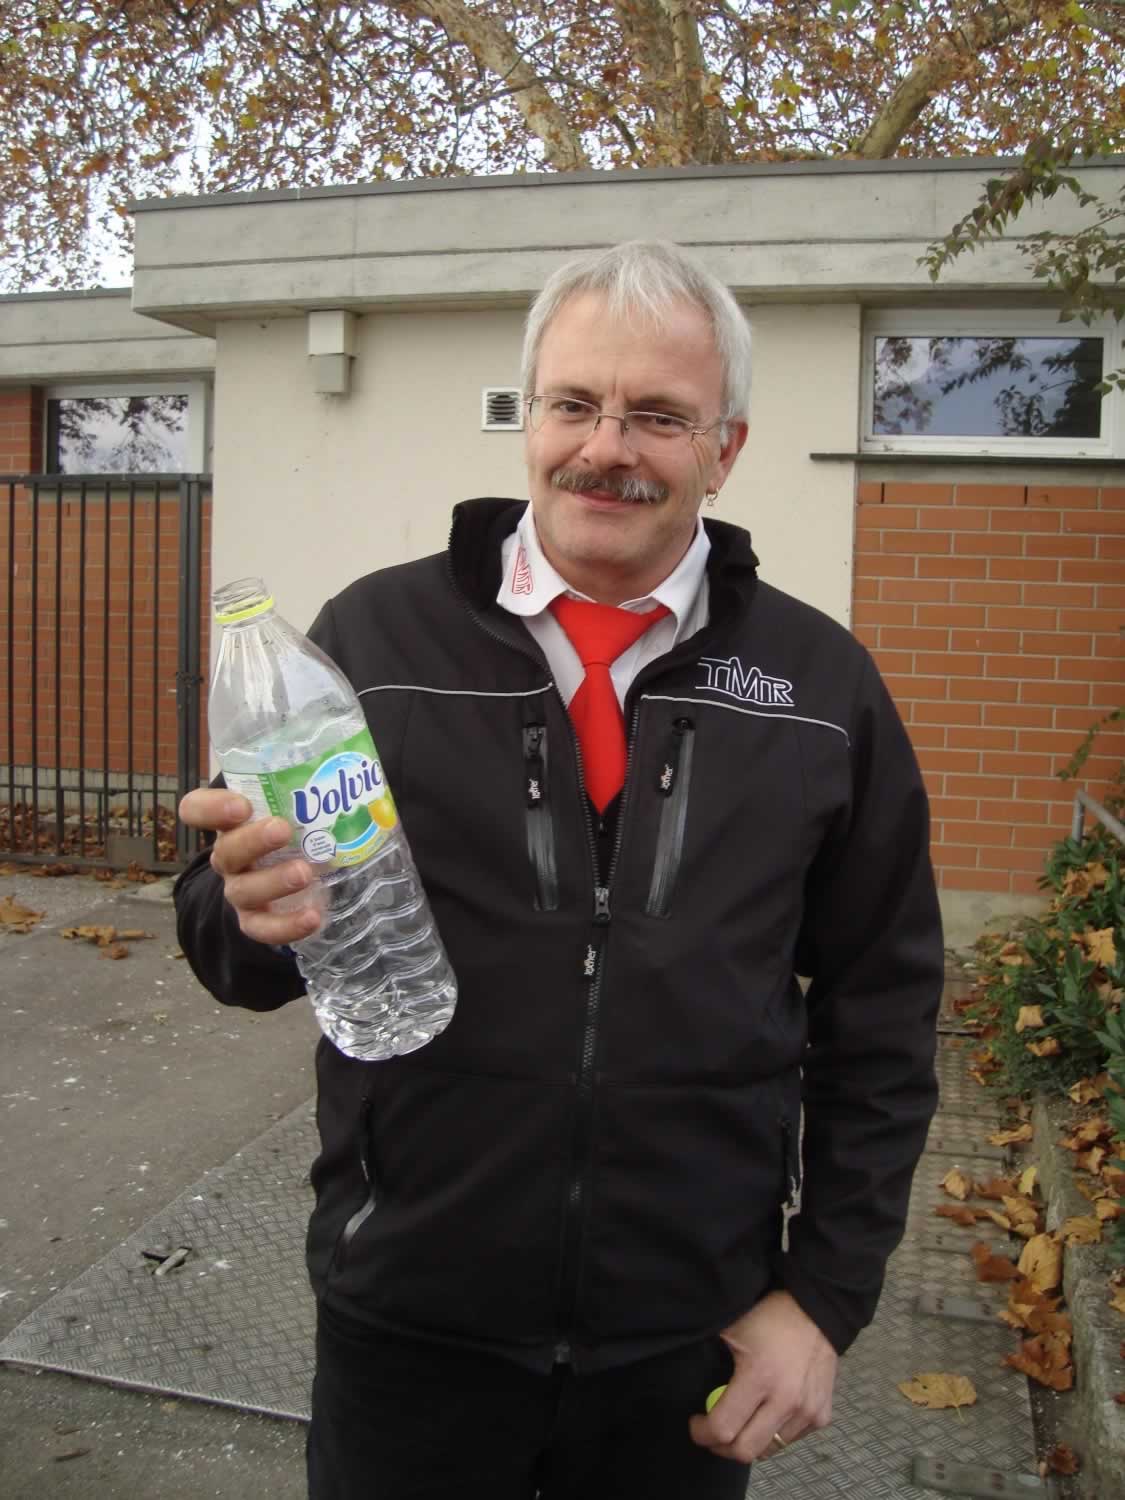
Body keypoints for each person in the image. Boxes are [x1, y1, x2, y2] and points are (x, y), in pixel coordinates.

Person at [176, 239, 943, 1499]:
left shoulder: (820, 688)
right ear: (528, 419)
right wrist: (240, 906)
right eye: (574, 403)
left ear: (725, 449)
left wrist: (824, 1298)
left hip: (685, 1338)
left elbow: (886, 1016)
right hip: (409, 1321)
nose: (606, 447)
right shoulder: (374, 641)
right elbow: (235, 950)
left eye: (659, 416)